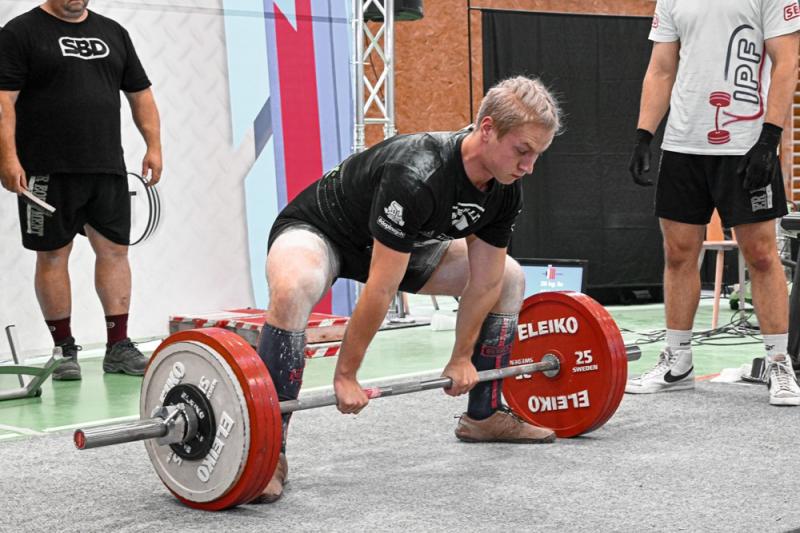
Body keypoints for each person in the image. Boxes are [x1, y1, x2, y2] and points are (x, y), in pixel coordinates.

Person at [252, 75, 562, 502]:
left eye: (537, 155)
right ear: (488, 129)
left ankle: (484, 414)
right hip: (322, 231)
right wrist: (346, 374)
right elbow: (383, 288)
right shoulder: (417, 171)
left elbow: (486, 280)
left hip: (407, 245)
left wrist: (461, 358)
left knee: (509, 277)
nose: (528, 166)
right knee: (294, 287)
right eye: (522, 150)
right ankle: (268, 450)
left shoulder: (505, 190)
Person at [625, 0, 800, 406]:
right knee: (678, 253)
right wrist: (644, 135)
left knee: (761, 255)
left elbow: (787, 62)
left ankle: (779, 362)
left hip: (745, 143)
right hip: (683, 144)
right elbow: (661, 68)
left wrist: (769, 138)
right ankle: (677, 361)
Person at [0, 0, 163, 380]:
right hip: (46, 169)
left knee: (115, 252)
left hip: (106, 167)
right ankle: (63, 350)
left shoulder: (113, 33)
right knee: (53, 255)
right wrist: (7, 159)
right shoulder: (20, 33)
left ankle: (118, 346)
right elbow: (4, 101)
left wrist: (154, 146)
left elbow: (141, 94)